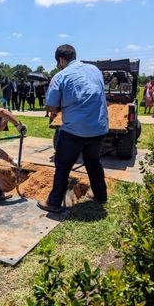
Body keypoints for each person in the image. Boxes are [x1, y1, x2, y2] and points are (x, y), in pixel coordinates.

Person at [37, 44, 108, 213]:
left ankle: (53, 203)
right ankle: (101, 196)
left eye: (58, 62)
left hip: (75, 130)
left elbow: (51, 108)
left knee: (62, 165)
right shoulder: (95, 70)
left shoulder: (60, 76)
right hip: (99, 127)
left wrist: (62, 106)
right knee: (93, 162)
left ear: (61, 60)